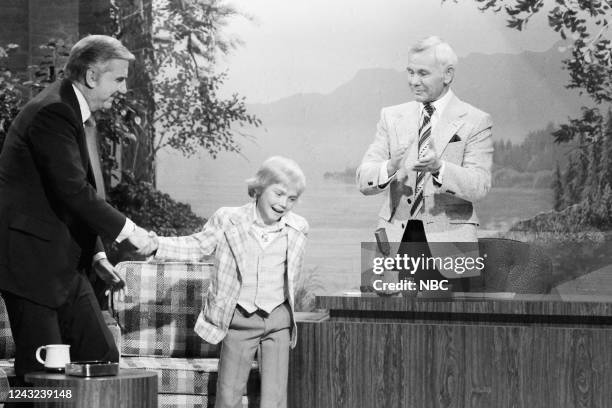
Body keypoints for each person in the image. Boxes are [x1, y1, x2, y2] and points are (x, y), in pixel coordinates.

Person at [0, 35, 151, 386]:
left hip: (65, 265)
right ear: (91, 76)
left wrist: (97, 253)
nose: (124, 89)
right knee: (43, 377)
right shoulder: (53, 111)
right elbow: (72, 190)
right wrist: (129, 231)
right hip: (31, 265)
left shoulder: (72, 111)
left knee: (100, 356)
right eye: (119, 79)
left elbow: (70, 195)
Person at [138, 156, 308, 408]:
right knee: (228, 396)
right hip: (240, 319)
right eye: (279, 194)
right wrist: (157, 244)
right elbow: (196, 246)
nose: (283, 204)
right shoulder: (228, 220)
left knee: (275, 399)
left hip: (278, 322)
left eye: (291, 198)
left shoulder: (298, 228)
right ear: (259, 188)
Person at [357, 36, 493, 291]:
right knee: (385, 327)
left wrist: (440, 168)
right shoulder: (391, 116)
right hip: (394, 244)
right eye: (409, 72)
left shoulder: (476, 120)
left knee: (450, 327)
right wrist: (389, 167)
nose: (413, 81)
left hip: (451, 246)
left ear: (448, 74)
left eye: (422, 73)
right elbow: (364, 180)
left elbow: (480, 186)